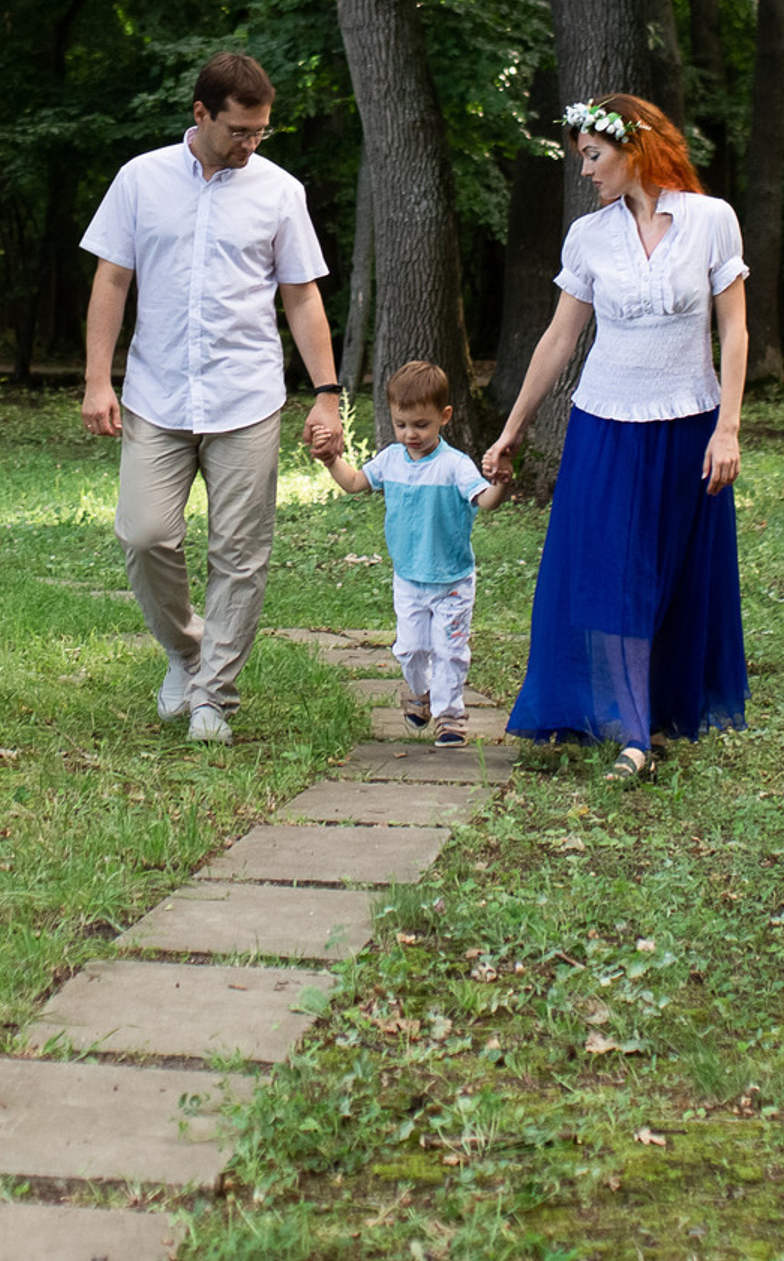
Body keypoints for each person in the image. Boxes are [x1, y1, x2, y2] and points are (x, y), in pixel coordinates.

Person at [80, 52, 346, 743]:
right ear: (200, 115)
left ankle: (213, 698)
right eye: (239, 131)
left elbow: (301, 294)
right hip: (155, 395)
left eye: (261, 133)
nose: (250, 145)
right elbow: (111, 281)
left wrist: (326, 393)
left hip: (246, 396)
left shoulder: (279, 191)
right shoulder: (140, 180)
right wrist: (96, 379)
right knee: (144, 535)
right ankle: (187, 651)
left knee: (240, 553)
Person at [482, 94, 749, 780]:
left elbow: (735, 330)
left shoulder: (711, 221)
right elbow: (560, 337)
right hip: (605, 424)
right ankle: (632, 735)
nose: (587, 172)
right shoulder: (589, 235)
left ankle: (652, 713)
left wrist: (728, 428)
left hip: (690, 424)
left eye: (594, 156)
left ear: (636, 149)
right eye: (581, 159)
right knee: (612, 572)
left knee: (673, 572)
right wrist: (512, 429)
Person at [317, 357, 505, 747]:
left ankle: (450, 716)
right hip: (408, 578)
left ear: (444, 416)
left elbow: (486, 502)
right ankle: (418, 693)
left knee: (449, 650)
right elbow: (354, 482)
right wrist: (331, 459)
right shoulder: (390, 460)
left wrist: (500, 481)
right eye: (401, 425)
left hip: (452, 579)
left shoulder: (455, 466)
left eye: (421, 425)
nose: (410, 434)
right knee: (411, 648)